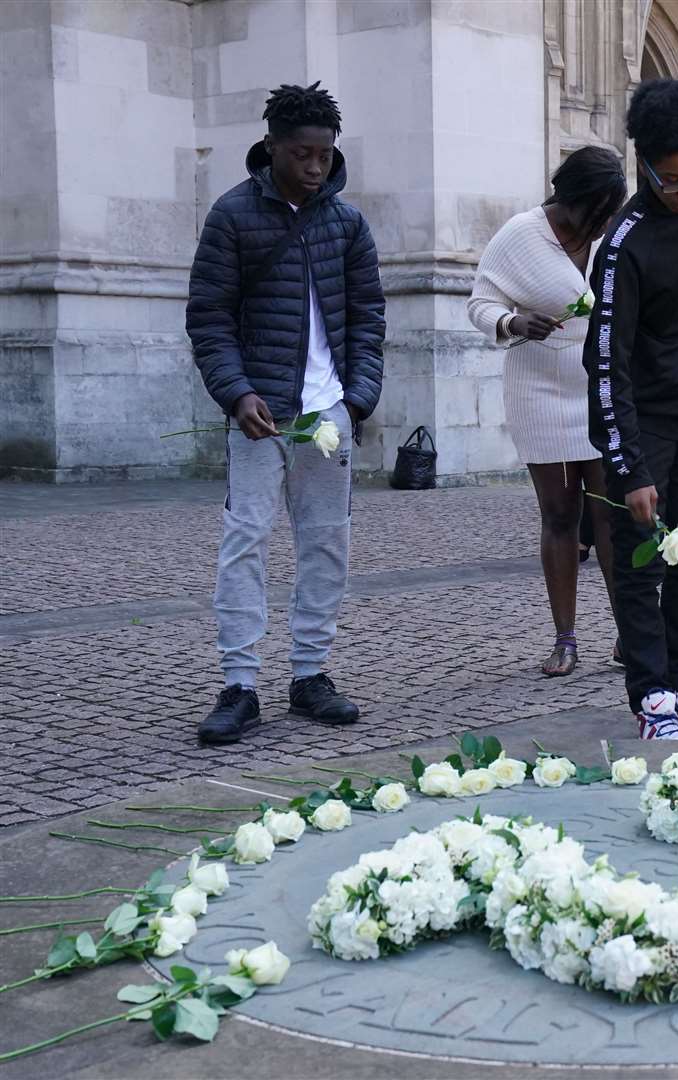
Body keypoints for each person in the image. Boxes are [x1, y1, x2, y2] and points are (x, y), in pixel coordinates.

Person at [187, 82, 385, 745]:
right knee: (244, 540)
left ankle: (310, 676)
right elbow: (209, 319)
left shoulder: (348, 224)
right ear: (271, 147)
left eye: (324, 155)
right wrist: (236, 393)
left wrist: (356, 399)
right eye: (301, 153)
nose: (313, 166)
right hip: (258, 412)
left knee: (327, 540)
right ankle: (239, 685)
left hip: (327, 412)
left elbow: (368, 321)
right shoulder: (231, 216)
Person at [584, 78, 678, 742]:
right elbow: (606, 362)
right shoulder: (623, 246)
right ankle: (649, 697)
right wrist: (631, 465)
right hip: (640, 421)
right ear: (642, 165)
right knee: (644, 557)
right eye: (672, 180)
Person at [467, 147, 627, 675]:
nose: (604, 222)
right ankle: (566, 639)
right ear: (574, 198)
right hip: (540, 388)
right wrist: (514, 324)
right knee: (560, 515)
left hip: (600, 389)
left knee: (611, 516)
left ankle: (629, 633)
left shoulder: (608, 236)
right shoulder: (521, 234)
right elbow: (480, 303)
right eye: (599, 211)